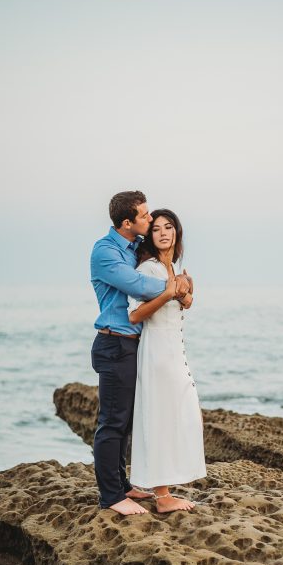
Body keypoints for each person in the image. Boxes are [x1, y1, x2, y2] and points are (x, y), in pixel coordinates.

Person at [90, 191, 191, 516]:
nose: (151, 221)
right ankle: (111, 497)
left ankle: (123, 485)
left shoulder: (133, 246)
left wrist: (180, 284)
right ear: (126, 222)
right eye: (146, 216)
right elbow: (138, 285)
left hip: (132, 344)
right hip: (114, 342)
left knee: (127, 420)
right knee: (111, 422)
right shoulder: (106, 252)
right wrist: (175, 286)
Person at [127, 209, 204, 511]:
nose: (162, 232)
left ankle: (160, 484)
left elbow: (178, 302)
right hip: (158, 352)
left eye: (168, 227)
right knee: (160, 417)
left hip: (175, 351)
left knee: (185, 415)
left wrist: (185, 295)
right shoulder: (149, 269)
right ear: (150, 236)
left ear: (177, 232)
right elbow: (135, 314)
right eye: (156, 228)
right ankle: (162, 495)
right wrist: (170, 294)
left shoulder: (173, 268)